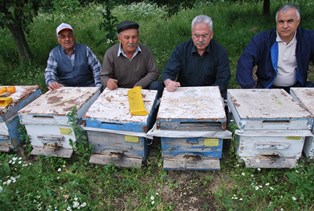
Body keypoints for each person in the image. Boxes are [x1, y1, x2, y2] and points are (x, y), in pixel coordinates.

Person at [237, 4, 314, 91]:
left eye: (290, 21)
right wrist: (250, 88)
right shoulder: (262, 39)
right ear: (276, 22)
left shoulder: (308, 38)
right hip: (268, 88)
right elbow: (245, 60)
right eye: (281, 21)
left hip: (297, 87)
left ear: (298, 22)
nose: (285, 26)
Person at [161, 15, 231, 99]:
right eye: (197, 36)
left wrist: (206, 95)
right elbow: (168, 73)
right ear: (192, 35)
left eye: (204, 35)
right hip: (185, 93)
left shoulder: (220, 51)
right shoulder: (181, 49)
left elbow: (223, 80)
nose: (200, 40)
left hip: (211, 94)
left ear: (211, 35)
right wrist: (169, 82)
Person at [100, 21, 163, 95]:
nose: (131, 41)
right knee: (105, 88)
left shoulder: (146, 51)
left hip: (141, 89)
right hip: (119, 90)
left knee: (156, 85)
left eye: (134, 37)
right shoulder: (111, 53)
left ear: (138, 37)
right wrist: (108, 81)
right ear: (119, 39)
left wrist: (139, 85)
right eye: (127, 38)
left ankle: (156, 106)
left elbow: (154, 72)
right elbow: (104, 76)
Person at [45, 23, 102, 90]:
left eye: (69, 35)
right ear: (58, 40)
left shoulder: (85, 49)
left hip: (89, 87)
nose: (67, 39)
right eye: (63, 36)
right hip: (66, 90)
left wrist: (98, 87)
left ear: (74, 37)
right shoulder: (54, 53)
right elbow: (49, 71)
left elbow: (97, 68)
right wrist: (51, 82)